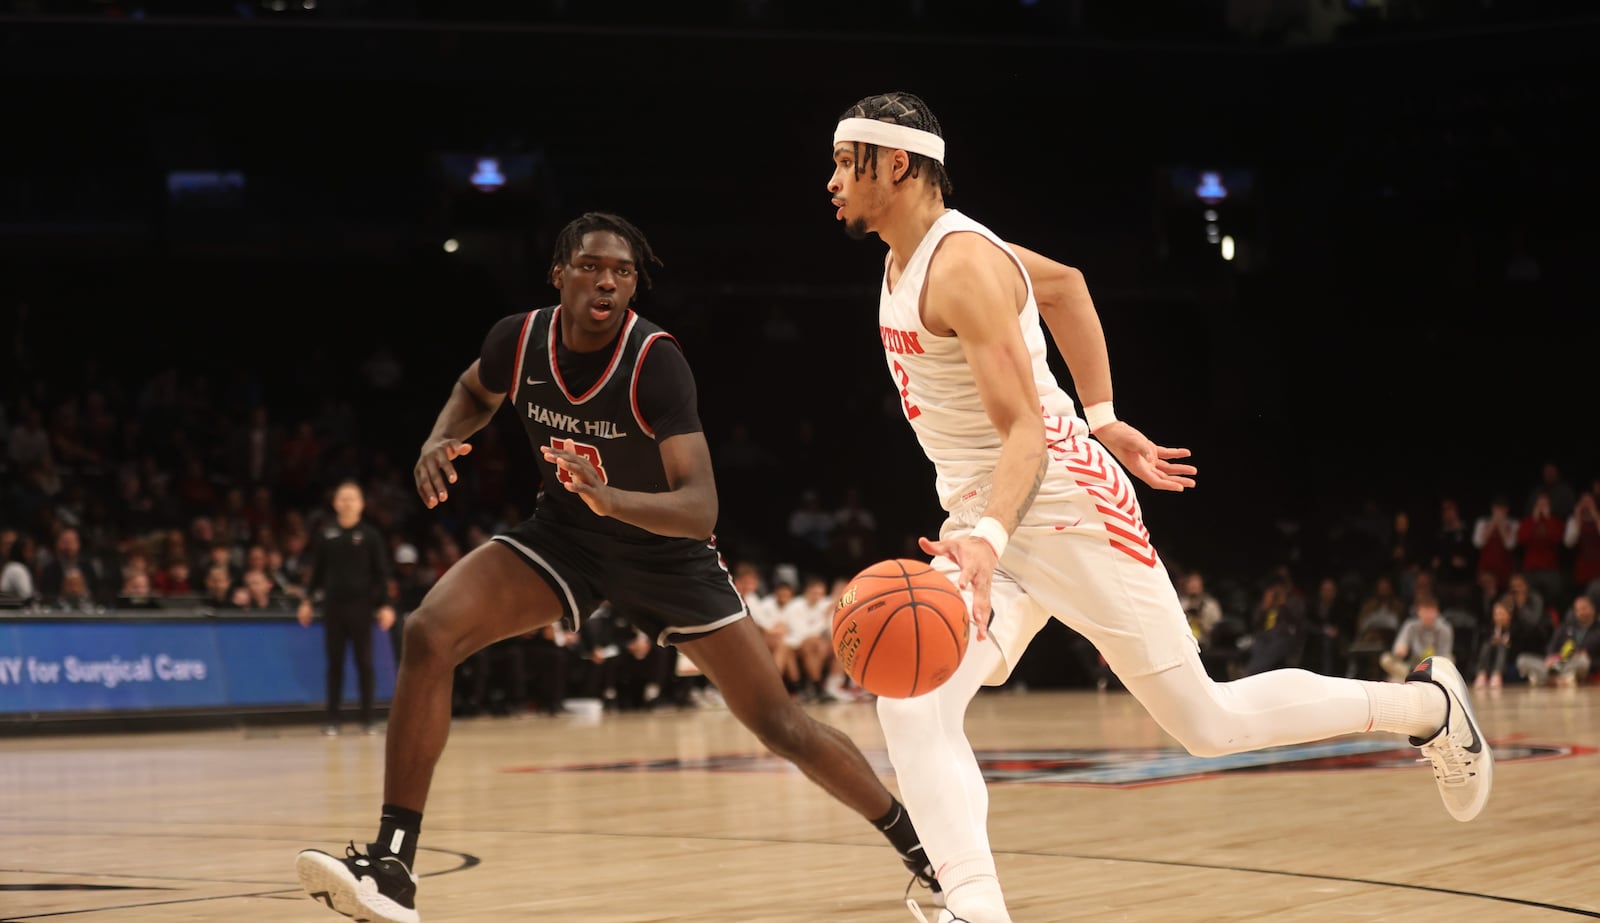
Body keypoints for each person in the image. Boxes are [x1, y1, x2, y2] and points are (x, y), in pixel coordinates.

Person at [826, 92, 1493, 923]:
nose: (832, 181)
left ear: (897, 163)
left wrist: (1007, 521)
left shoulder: (960, 265)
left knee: (1207, 722)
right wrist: (1103, 416)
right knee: (913, 699)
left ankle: (1428, 707)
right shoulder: (916, 255)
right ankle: (975, 908)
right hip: (987, 520)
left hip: (1059, 505)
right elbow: (1065, 288)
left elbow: (1027, 430)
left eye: (845, 162)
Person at [295, 212, 938, 923]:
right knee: (428, 631)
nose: (609, 280)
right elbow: (476, 390)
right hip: (564, 540)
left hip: (668, 558)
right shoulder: (518, 338)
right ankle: (392, 866)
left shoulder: (654, 359)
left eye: (624, 271)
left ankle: (920, 845)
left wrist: (611, 499)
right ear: (559, 273)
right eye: (594, 266)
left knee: (780, 723)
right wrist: (439, 439)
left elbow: (699, 507)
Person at [298, 480, 396, 736]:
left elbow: (381, 574)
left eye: (352, 498)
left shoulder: (371, 536)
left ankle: (368, 719)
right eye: (342, 498)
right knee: (335, 664)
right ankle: (332, 719)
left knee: (365, 663)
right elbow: (317, 573)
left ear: (362, 504)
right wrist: (307, 601)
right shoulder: (327, 535)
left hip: (362, 609)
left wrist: (385, 604)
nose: (347, 502)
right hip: (333, 609)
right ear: (335, 503)